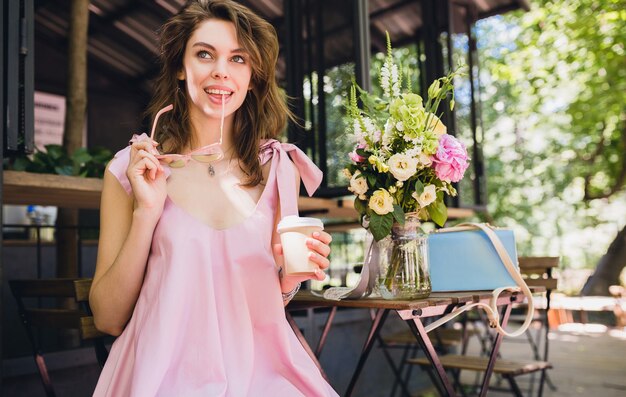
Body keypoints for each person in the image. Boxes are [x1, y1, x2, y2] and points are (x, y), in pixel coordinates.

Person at [89, 1, 338, 395]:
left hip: (263, 374)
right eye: (205, 54)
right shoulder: (128, 171)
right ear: (179, 67)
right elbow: (107, 318)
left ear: (253, 77)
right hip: (161, 376)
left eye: (238, 58)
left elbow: (265, 305)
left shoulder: (280, 168)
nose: (221, 70)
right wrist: (147, 213)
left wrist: (289, 278)